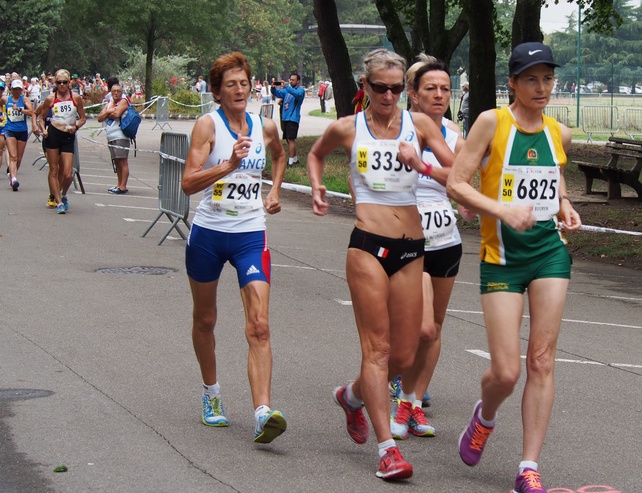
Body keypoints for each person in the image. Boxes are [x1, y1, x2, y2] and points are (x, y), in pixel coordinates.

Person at [307, 48, 455, 482]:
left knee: (406, 355)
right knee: (378, 350)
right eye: (380, 88)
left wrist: (422, 163)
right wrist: (317, 188)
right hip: (367, 246)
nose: (389, 96)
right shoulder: (348, 128)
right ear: (365, 87)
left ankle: (351, 397)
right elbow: (316, 154)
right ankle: (387, 449)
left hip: (412, 249)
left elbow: (459, 175)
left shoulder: (421, 125)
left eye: (395, 88)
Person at [447, 42, 581, 493]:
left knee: (541, 360)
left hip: (548, 253)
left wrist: (564, 203)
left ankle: (528, 466)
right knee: (506, 372)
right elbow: (456, 184)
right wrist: (501, 211)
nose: (541, 87)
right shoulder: (491, 122)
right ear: (513, 83)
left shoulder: (558, 133)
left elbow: (555, 173)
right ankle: (484, 417)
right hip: (501, 257)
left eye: (547, 78)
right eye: (531, 79)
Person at [181, 52, 288, 445]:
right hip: (209, 233)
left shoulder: (265, 126)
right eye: (231, 84)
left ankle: (262, 413)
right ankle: (211, 394)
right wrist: (227, 165)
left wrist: (274, 190)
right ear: (217, 91)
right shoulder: (207, 126)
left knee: (259, 324)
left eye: (244, 83)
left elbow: (280, 156)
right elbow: (188, 184)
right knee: (205, 319)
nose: (240, 90)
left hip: (250, 234)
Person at [390, 55, 466, 440]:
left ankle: (412, 403)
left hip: (446, 238)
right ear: (413, 95)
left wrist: (466, 201)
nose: (439, 96)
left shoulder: (453, 134)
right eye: (431, 89)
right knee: (419, 328)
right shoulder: (397, 130)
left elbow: (464, 177)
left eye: (445, 89)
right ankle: (395, 382)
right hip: (407, 239)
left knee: (434, 327)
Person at [36, 69, 86, 213]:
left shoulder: (75, 98)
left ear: (69, 82)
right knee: (54, 169)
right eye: (59, 82)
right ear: (55, 84)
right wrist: (43, 129)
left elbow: (82, 117)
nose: (62, 85)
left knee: (68, 173)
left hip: (68, 135)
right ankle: (58, 202)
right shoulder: (50, 99)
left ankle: (63, 195)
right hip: (53, 134)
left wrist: (76, 126)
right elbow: (41, 116)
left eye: (64, 82)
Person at [2, 79, 38, 191]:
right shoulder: (6, 99)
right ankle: (13, 179)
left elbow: (32, 112)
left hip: (22, 131)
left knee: (18, 158)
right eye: (14, 89)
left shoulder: (24, 99)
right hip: (9, 130)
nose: (17, 91)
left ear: (21, 90)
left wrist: (19, 109)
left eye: (19, 89)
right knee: (13, 156)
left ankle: (12, 175)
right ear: (11, 90)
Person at [97, 78, 132, 194]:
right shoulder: (109, 103)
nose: (116, 93)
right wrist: (108, 112)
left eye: (118, 91)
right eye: (113, 91)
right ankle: (118, 184)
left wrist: (108, 113)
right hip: (111, 135)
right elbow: (100, 118)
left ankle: (123, 186)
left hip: (121, 135)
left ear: (121, 92)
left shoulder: (123, 101)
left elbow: (117, 114)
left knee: (122, 161)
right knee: (116, 161)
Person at [271, 73, 305, 167]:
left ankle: (290, 161)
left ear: (298, 81)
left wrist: (286, 87)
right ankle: (294, 158)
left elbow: (297, 94)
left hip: (293, 118)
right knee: (288, 139)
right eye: (290, 79)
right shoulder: (286, 91)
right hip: (285, 118)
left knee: (291, 139)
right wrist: (273, 88)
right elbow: (277, 93)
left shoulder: (300, 91)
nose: (291, 81)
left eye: (293, 80)